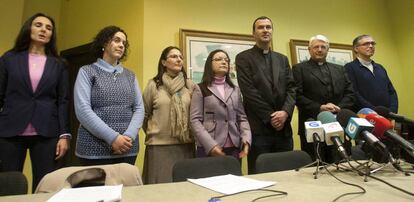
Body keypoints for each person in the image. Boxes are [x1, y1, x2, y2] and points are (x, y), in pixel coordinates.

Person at [0, 13, 70, 191]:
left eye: (48, 28)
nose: (43, 30)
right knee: (9, 183)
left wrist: (64, 135)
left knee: (45, 184)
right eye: (38, 25)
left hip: (47, 131)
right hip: (10, 130)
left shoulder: (59, 64)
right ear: (28, 28)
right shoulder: (9, 59)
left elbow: (63, 101)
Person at [74, 26, 144, 166]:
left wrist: (128, 137)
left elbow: (139, 108)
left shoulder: (130, 76)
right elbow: (83, 109)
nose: (121, 45)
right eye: (116, 40)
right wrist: (113, 138)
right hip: (93, 150)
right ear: (105, 43)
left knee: (127, 188)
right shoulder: (87, 72)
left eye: (124, 43)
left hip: (127, 149)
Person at [235, 16, 296, 174]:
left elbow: (291, 88)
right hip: (259, 129)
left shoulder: (282, 59)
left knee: (288, 175)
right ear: (253, 33)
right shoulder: (243, 58)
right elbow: (249, 92)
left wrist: (285, 112)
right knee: (260, 177)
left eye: (268, 27)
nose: (265, 30)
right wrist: (271, 117)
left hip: (284, 130)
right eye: (260, 27)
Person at [292, 35, 354, 162]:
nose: (319, 50)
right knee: (317, 164)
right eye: (316, 47)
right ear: (309, 50)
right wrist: (320, 107)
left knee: (343, 162)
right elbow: (296, 95)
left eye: (323, 47)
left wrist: (339, 107)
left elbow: (350, 93)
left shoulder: (340, 69)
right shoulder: (299, 69)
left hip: (339, 123)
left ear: (328, 50)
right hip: (313, 124)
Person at [142, 46, 195, 184]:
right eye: (173, 56)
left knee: (185, 190)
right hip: (159, 148)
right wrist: (157, 132)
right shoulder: (154, 85)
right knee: (159, 190)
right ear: (164, 62)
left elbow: (196, 114)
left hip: (185, 146)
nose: (178, 59)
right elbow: (144, 114)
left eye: (180, 57)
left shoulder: (190, 85)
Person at [190, 49, 251, 160]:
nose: (224, 62)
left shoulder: (235, 89)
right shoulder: (200, 88)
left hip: (234, 148)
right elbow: (195, 120)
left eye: (226, 60)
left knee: (233, 177)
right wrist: (211, 145)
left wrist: (246, 140)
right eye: (218, 59)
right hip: (209, 148)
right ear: (209, 64)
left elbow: (242, 118)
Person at [344, 35, 398, 113]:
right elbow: (354, 94)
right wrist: (374, 112)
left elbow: (392, 91)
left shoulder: (380, 67)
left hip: (388, 114)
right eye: (366, 44)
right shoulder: (349, 67)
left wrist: (392, 111)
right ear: (356, 48)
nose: (371, 46)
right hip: (367, 116)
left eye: (372, 43)